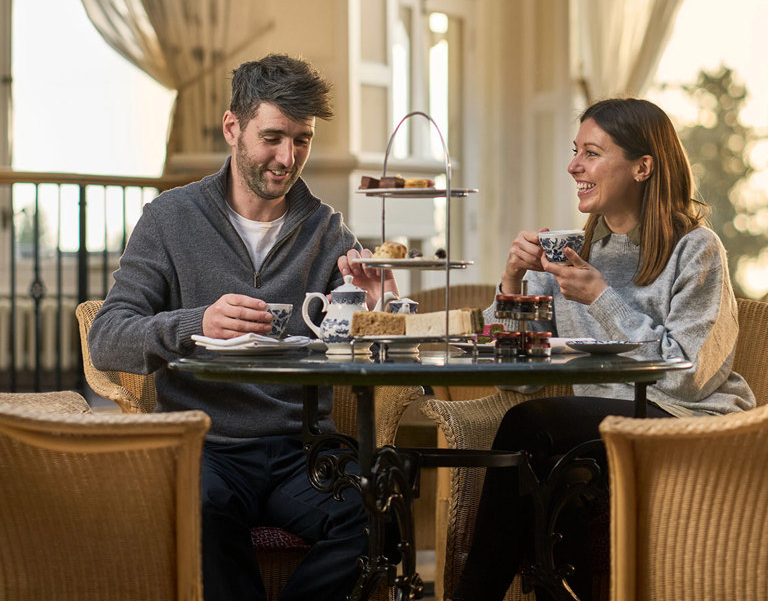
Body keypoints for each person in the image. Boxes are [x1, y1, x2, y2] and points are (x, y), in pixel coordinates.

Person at [89, 53, 398, 601]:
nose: (288, 157)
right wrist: (195, 321)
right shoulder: (169, 218)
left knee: (379, 515)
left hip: (302, 446)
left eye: (301, 140)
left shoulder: (328, 230)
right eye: (273, 137)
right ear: (233, 127)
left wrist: (377, 307)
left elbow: (366, 346)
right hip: (205, 442)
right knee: (200, 508)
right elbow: (109, 336)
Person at [450, 97, 755, 601]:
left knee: (531, 425)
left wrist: (602, 298)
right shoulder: (576, 252)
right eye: (575, 152)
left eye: (590, 153)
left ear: (643, 166)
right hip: (606, 425)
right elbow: (516, 372)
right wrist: (512, 282)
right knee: (551, 469)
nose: (573, 166)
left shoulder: (696, 249)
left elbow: (690, 375)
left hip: (690, 423)